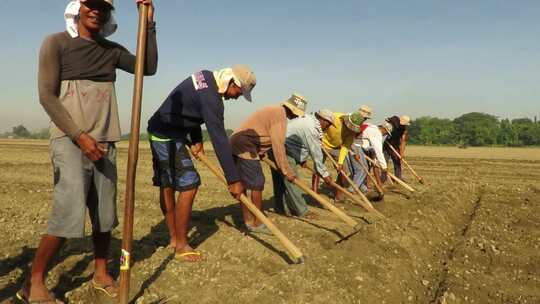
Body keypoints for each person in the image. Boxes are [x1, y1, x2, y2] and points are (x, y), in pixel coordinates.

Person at [21, 0, 157, 302]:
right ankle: (35, 282)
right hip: (70, 140)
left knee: (105, 215)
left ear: (109, 15)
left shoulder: (111, 50)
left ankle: (100, 272)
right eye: (91, 4)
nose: (97, 11)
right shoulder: (56, 43)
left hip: (106, 141)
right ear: (78, 9)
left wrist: (148, 24)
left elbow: (147, 68)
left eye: (104, 8)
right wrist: (79, 136)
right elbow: (46, 95)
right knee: (68, 213)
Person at [147, 65, 256, 262]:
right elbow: (219, 138)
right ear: (231, 82)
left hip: (166, 129)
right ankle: (180, 244)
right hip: (166, 135)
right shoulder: (212, 99)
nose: (237, 97)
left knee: (168, 184)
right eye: (238, 92)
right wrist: (233, 179)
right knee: (189, 184)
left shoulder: (206, 77)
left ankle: (174, 238)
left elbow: (191, 107)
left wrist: (196, 138)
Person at [229, 94, 306, 233]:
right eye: (297, 114)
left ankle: (248, 221)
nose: (296, 117)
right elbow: (278, 145)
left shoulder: (274, 110)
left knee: (242, 185)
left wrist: (261, 150)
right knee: (257, 184)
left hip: (237, 142)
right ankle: (257, 223)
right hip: (246, 144)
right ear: (293, 110)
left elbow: (260, 132)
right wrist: (287, 171)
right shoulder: (280, 116)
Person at [272, 109, 335, 218]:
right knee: (292, 180)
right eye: (328, 124)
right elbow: (316, 152)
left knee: (281, 182)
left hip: (278, 147)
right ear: (322, 119)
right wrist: (324, 174)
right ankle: (302, 211)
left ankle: (281, 208)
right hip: (282, 149)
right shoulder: (311, 127)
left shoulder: (309, 120)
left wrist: (301, 160)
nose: (328, 127)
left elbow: (298, 142)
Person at [319, 110, 367, 200]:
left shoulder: (352, 132)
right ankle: (315, 191)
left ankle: (337, 195)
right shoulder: (335, 117)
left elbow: (345, 146)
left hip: (336, 148)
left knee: (343, 172)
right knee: (317, 169)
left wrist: (340, 163)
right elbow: (322, 127)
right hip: (322, 144)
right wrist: (319, 140)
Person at [352, 121, 393, 194]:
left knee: (369, 166)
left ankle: (368, 187)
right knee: (362, 169)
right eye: (386, 133)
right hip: (356, 146)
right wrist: (384, 167)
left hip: (361, 146)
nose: (385, 135)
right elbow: (378, 151)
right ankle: (353, 190)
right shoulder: (376, 133)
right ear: (383, 129)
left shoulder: (372, 127)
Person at [382, 115, 410, 181]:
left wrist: (401, 154)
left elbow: (403, 141)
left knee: (397, 162)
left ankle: (398, 178)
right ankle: (383, 179)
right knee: (384, 162)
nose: (404, 126)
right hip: (387, 144)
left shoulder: (404, 130)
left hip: (395, 145)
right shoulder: (394, 122)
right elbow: (385, 122)